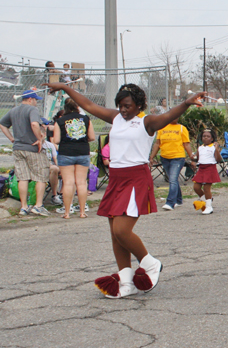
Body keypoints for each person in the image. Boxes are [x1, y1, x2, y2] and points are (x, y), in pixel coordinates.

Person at [45, 81, 206, 298]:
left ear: (139, 105)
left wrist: (186, 102)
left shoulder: (146, 122)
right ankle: (127, 281)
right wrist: (65, 88)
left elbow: (168, 116)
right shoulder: (116, 118)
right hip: (116, 179)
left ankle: (150, 263)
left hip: (136, 179)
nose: (123, 109)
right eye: (120, 105)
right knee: (114, 233)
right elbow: (90, 105)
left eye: (127, 105)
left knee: (122, 230)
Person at [0, 89, 50, 216]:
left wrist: (11, 138)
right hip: (33, 148)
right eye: (35, 100)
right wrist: (39, 139)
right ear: (30, 99)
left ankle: (24, 207)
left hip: (18, 148)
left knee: (22, 177)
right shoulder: (32, 110)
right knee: (41, 176)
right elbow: (34, 124)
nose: (36, 103)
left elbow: (2, 124)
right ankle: (38, 205)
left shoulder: (13, 110)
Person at [52, 98, 96, 218]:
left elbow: (56, 140)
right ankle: (82, 212)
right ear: (78, 106)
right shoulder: (86, 119)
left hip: (66, 153)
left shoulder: (60, 121)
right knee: (81, 183)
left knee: (68, 183)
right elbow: (92, 137)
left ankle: (67, 212)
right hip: (82, 152)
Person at [148, 107, 193, 211]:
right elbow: (157, 143)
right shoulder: (162, 128)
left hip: (177, 158)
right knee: (173, 179)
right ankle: (178, 200)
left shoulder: (182, 128)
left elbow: (186, 144)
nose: (175, 118)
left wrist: (191, 156)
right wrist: (151, 157)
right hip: (165, 157)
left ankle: (170, 202)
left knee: (172, 180)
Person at [191, 129, 222, 215]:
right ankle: (206, 199)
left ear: (212, 139)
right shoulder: (200, 148)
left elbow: (219, 159)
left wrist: (216, 150)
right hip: (201, 168)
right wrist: (193, 158)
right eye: (204, 136)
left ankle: (209, 207)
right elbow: (197, 158)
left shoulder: (213, 147)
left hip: (210, 168)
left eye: (208, 136)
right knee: (196, 187)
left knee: (206, 188)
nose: (205, 138)